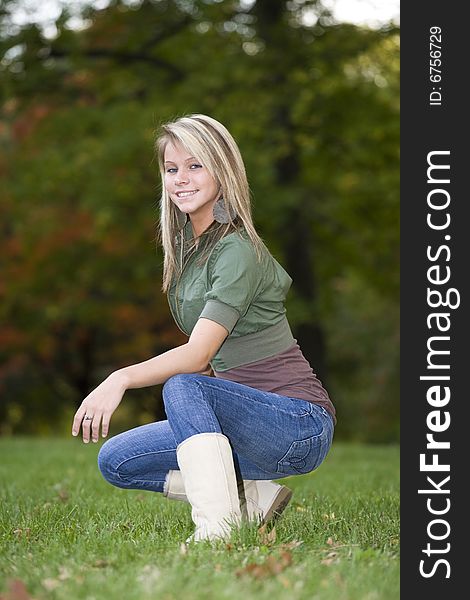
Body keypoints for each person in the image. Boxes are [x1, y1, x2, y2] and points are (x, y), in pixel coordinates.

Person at [72, 113, 336, 543]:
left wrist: (119, 379)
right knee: (117, 460)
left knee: (183, 384)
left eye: (195, 165)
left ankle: (217, 529)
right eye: (171, 168)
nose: (181, 179)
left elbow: (197, 357)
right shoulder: (188, 250)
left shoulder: (236, 250)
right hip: (243, 420)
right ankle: (251, 500)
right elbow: (218, 359)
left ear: (222, 169)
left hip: (298, 423)